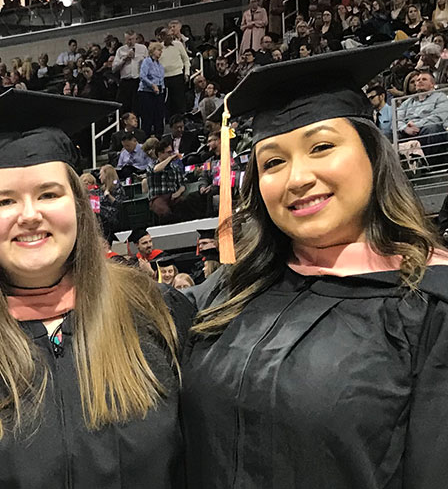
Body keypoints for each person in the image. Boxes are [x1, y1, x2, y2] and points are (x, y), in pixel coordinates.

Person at [184, 41, 448, 489]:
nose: (298, 178)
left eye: (322, 146)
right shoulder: (230, 293)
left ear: (372, 153)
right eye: (272, 162)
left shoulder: (431, 308)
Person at [0, 89, 189, 488]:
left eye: (49, 194)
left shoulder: (154, 313)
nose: (30, 215)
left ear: (76, 204)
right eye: (4, 201)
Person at [138, 41, 166, 136]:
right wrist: (152, 85)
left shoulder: (160, 65)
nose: (160, 52)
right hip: (146, 92)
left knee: (159, 117)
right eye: (158, 50)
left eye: (161, 50)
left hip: (158, 93)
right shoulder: (146, 62)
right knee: (147, 118)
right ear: (153, 51)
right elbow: (142, 76)